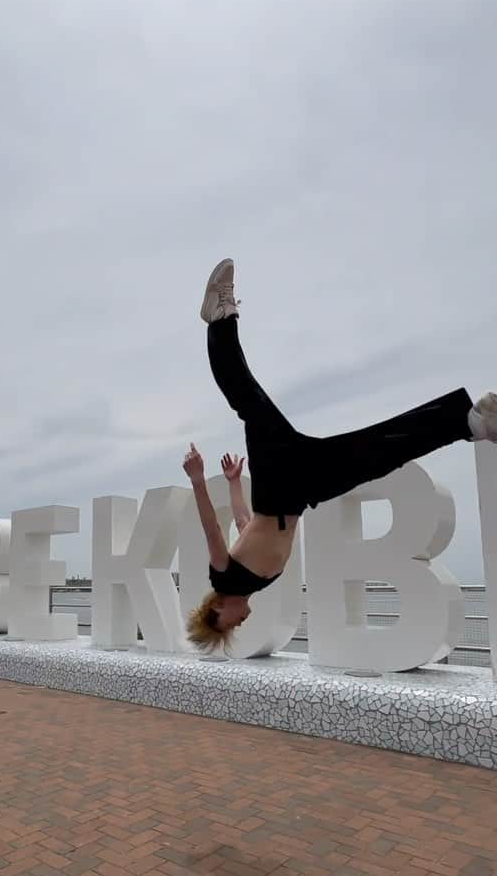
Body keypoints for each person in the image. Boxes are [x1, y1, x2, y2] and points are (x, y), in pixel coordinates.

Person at [184, 258, 497, 652]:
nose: (241, 624)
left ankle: (220, 318)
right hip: (301, 491)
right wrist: (233, 484)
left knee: (249, 399)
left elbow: (214, 529)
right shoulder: (253, 584)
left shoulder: (223, 578)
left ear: (216, 614)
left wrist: (199, 480)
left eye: (231, 627)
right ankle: (469, 422)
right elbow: (244, 525)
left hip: (280, 483)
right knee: (376, 454)